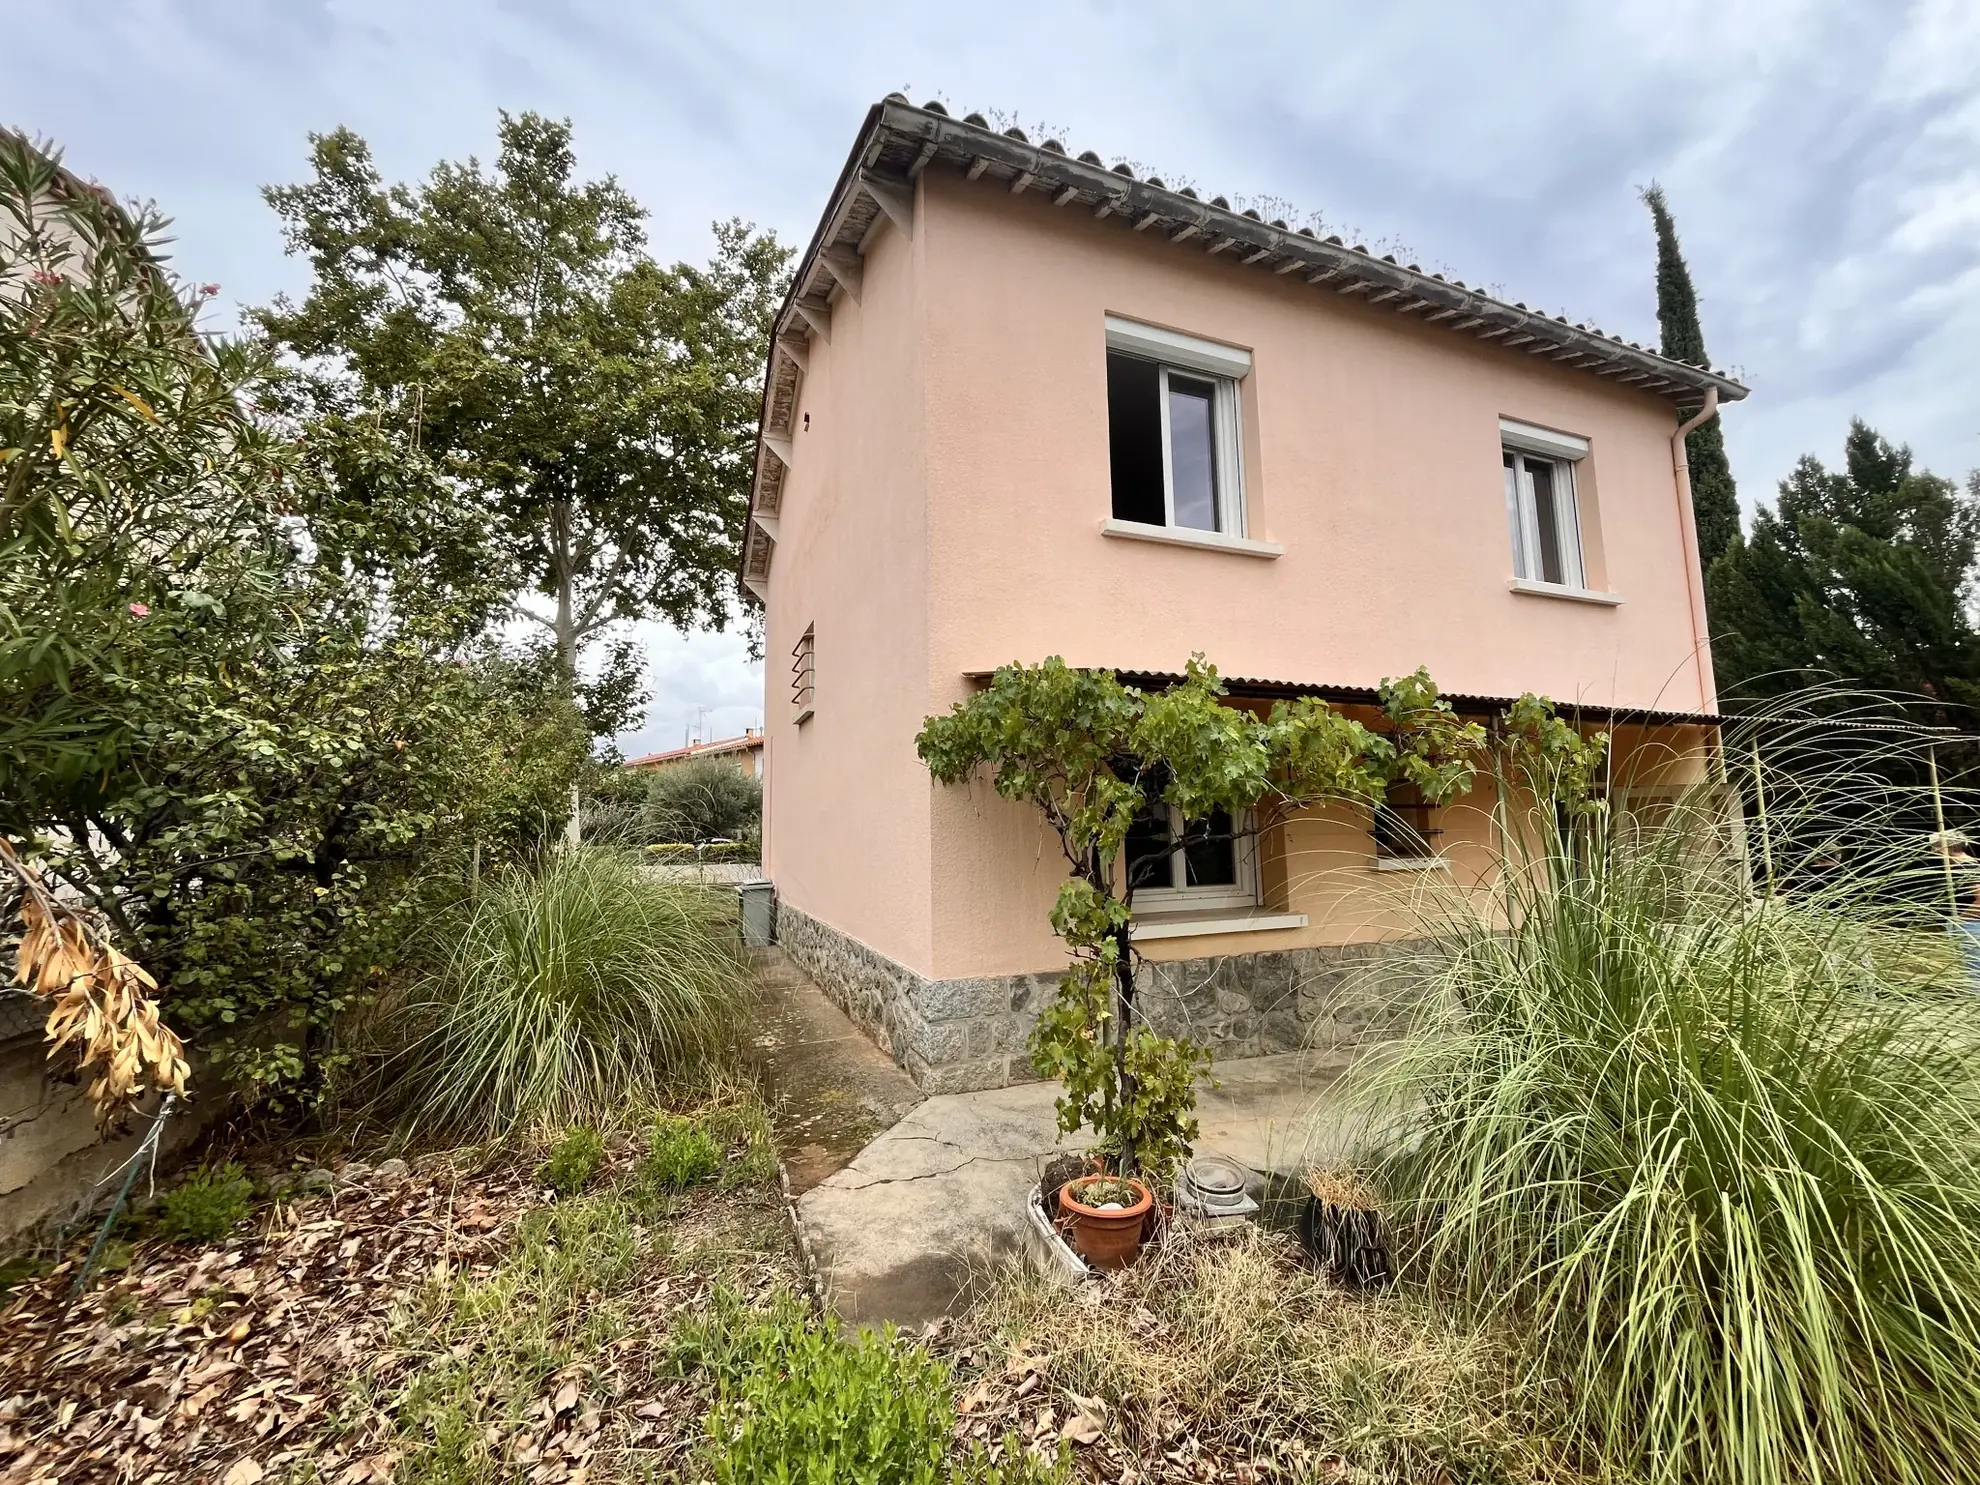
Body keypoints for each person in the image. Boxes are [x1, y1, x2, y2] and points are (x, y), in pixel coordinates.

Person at [1930, 829, 1980, 989]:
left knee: (1975, 968)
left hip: (1971, 926)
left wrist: (1959, 920)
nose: (1933, 852)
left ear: (1945, 847)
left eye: (1934, 847)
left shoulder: (1968, 868)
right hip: (1968, 924)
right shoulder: (1964, 867)